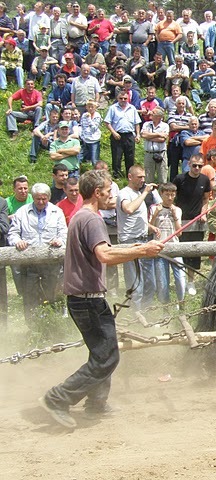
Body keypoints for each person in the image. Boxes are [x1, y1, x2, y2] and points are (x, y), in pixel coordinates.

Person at [39, 169, 163, 429]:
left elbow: (105, 250)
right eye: (109, 191)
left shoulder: (80, 216)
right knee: (107, 355)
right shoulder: (92, 220)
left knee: (103, 351)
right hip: (87, 299)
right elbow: (105, 256)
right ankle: (58, 398)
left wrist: (138, 249)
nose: (112, 196)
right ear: (97, 192)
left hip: (83, 298)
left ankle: (96, 402)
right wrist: (142, 250)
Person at [7, 183, 67, 324]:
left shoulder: (56, 212)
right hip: (29, 264)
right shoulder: (22, 212)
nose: (41, 202)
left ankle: (54, 324)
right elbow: (13, 233)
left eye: (44, 199)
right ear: (33, 198)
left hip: (51, 262)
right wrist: (18, 242)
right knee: (30, 296)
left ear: (49, 197)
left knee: (52, 293)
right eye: (37, 199)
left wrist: (59, 241)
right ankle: (33, 326)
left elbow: (64, 233)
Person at [117, 165, 159, 313]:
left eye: (144, 177)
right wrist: (145, 193)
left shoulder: (138, 194)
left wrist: (150, 227)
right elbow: (128, 209)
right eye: (139, 177)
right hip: (130, 242)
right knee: (136, 286)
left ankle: (144, 314)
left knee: (151, 284)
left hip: (144, 240)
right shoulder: (124, 193)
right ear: (130, 177)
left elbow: (137, 218)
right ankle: (134, 317)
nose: (143, 180)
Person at [173, 154, 212, 295]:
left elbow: (206, 199)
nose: (197, 168)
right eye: (194, 165)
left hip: (197, 222)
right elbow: (171, 197)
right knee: (180, 251)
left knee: (195, 252)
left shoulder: (205, 180)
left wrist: (204, 212)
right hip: (181, 221)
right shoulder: (180, 179)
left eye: (200, 166)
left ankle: (191, 281)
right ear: (189, 164)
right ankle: (181, 280)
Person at [149, 182, 185, 307]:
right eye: (167, 195)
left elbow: (179, 233)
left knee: (180, 277)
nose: (170, 198)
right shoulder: (154, 208)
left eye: (172, 195)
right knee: (162, 281)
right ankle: (166, 306)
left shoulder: (177, 210)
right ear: (161, 194)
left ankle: (182, 303)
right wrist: (155, 215)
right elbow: (149, 229)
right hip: (160, 248)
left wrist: (175, 216)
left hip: (175, 247)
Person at [104, 91, 142, 178]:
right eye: (121, 98)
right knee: (117, 157)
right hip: (117, 135)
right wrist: (113, 132)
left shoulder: (132, 108)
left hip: (129, 135)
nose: (123, 100)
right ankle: (116, 176)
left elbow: (137, 123)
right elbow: (107, 122)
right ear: (118, 98)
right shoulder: (113, 108)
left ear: (128, 98)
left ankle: (129, 176)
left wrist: (138, 134)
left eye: (125, 98)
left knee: (130, 157)